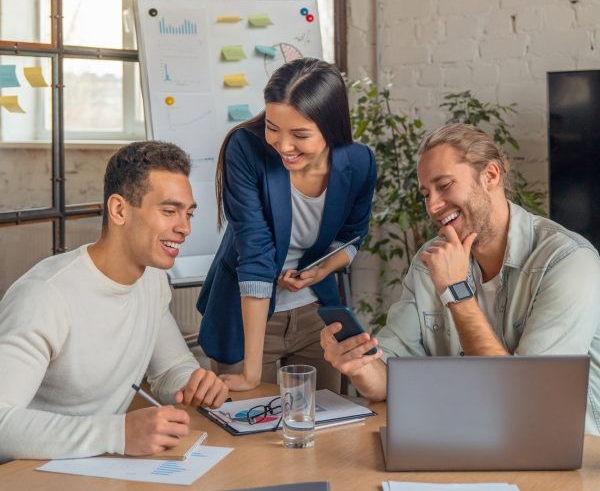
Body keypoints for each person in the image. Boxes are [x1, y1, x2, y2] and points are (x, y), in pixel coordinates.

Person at [320, 123, 600, 434]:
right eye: (426, 193)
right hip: (466, 437)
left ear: (490, 176)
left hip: (555, 450)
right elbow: (386, 380)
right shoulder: (430, 261)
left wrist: (456, 292)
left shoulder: (568, 261)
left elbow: (525, 400)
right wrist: (357, 363)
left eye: (444, 185)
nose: (433, 206)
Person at [0, 141, 229, 461]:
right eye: (169, 211)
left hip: (95, 468)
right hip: (27, 474)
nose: (184, 228)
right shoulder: (45, 295)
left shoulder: (152, 281)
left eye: (188, 213)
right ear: (119, 210)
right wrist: (116, 433)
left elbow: (170, 370)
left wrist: (192, 383)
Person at [197, 57, 377, 392]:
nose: (283, 145)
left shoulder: (359, 161)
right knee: (250, 431)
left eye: (300, 134)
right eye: (273, 127)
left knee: (323, 427)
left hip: (315, 316)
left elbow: (352, 235)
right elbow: (255, 254)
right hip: (245, 317)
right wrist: (251, 373)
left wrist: (320, 270)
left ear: (332, 127)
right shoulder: (246, 150)